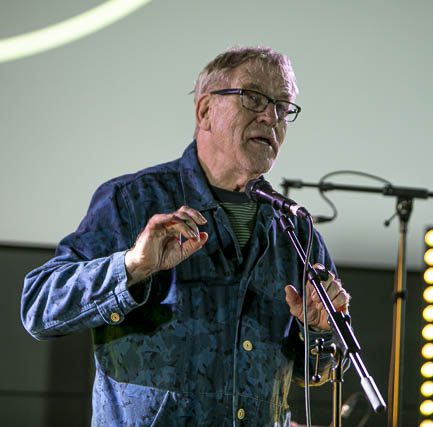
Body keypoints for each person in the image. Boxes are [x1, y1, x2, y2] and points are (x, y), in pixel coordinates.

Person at [21, 46, 350, 426]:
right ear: (205, 111)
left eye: (282, 106)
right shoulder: (132, 200)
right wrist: (132, 266)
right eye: (254, 98)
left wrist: (320, 330)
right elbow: (38, 307)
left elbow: (315, 372)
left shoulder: (295, 229)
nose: (270, 116)